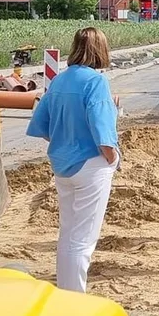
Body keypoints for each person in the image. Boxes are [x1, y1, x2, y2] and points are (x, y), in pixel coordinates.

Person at [26, 27, 120, 293]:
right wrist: (112, 159)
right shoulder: (96, 82)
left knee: (68, 234)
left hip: (63, 165)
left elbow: (41, 126)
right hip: (91, 164)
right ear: (101, 49)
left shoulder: (59, 80)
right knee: (84, 240)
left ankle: (67, 294)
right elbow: (104, 135)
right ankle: (76, 299)